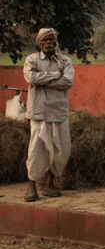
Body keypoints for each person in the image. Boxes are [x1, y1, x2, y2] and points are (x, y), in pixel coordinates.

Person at [22, 28, 75, 202]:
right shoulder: (32, 60)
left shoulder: (64, 61)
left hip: (59, 111)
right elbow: (31, 78)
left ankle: (50, 184)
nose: (48, 43)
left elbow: (68, 81)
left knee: (61, 150)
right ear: (39, 42)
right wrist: (54, 76)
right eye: (45, 40)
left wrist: (42, 80)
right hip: (39, 112)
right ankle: (32, 187)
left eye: (51, 40)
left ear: (55, 42)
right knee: (37, 150)